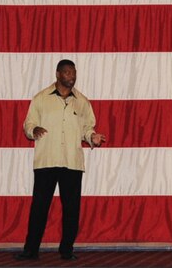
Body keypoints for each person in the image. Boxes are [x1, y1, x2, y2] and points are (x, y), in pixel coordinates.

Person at [15, 59, 106, 261]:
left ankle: (66, 250)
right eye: (66, 73)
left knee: (71, 209)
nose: (71, 76)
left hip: (72, 162)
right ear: (57, 74)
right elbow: (28, 123)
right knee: (39, 207)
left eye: (73, 73)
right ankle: (31, 249)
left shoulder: (82, 101)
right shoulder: (40, 98)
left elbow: (87, 128)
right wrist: (32, 130)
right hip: (47, 160)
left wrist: (92, 137)